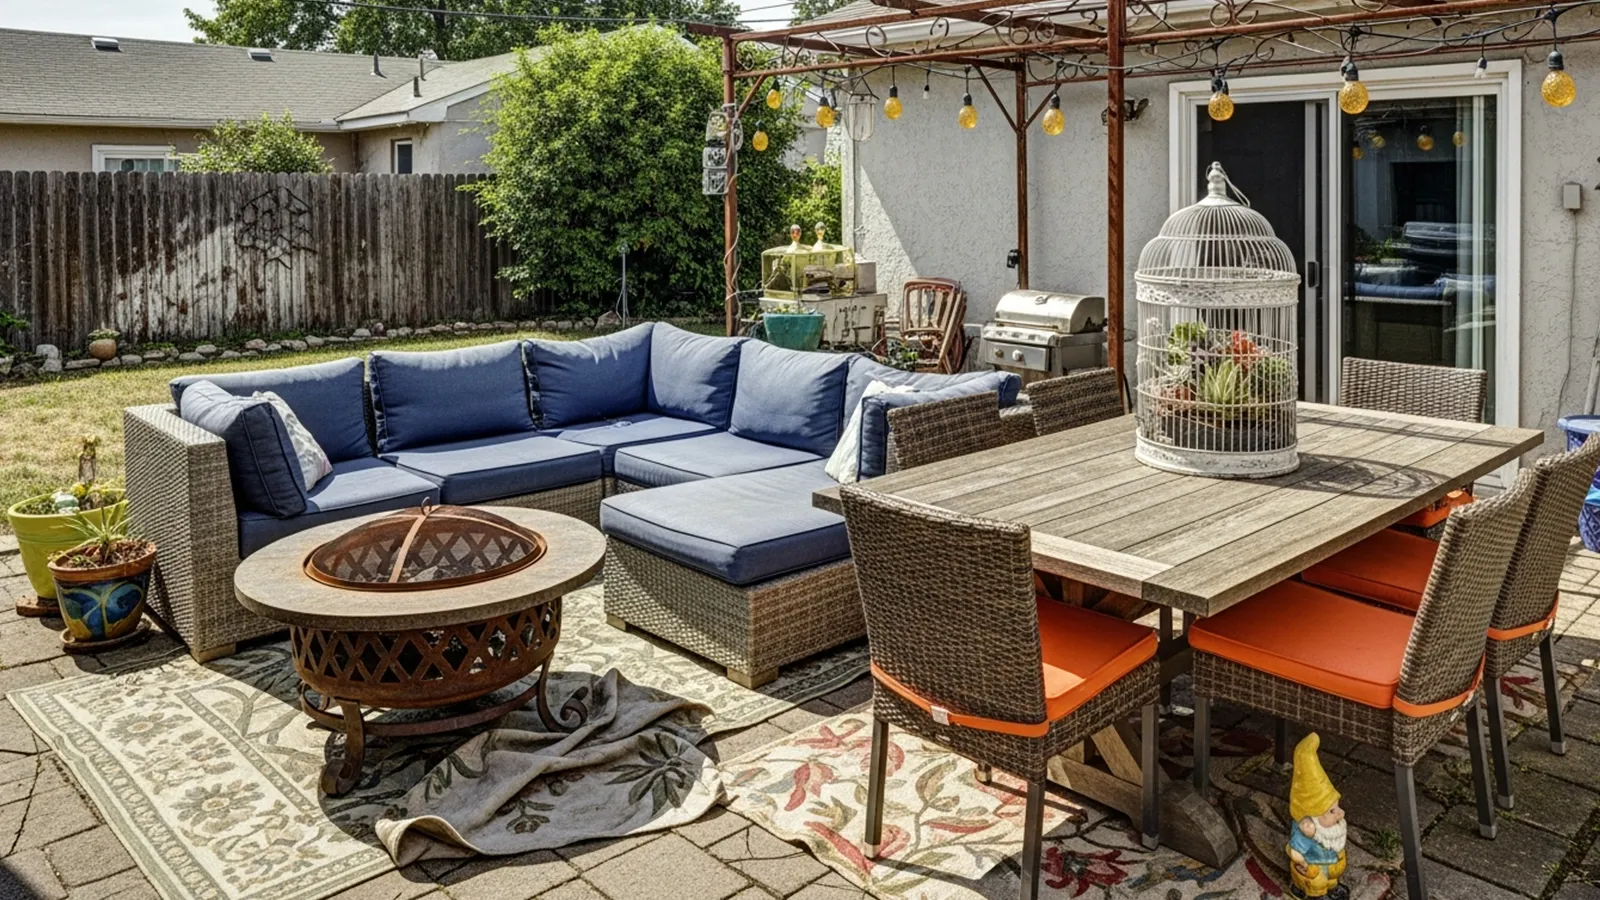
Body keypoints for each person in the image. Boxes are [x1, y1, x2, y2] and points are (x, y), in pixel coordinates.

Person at [1286, 733, 1349, 900]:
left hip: (1329, 866)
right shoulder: (1307, 832)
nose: (1340, 814)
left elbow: (1334, 843)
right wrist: (1304, 864)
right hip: (1312, 871)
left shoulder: (1330, 830)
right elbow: (1295, 852)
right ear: (1310, 821)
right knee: (1317, 883)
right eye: (1331, 811)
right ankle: (1313, 894)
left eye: (1337, 807)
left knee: (1329, 879)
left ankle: (1332, 887)